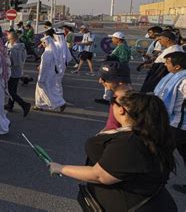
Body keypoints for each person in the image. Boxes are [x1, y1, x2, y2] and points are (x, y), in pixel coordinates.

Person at [48, 92, 178, 212]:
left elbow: (100, 175)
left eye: (113, 102)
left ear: (122, 110)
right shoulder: (153, 133)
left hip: (133, 205)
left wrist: (61, 168)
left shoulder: (129, 143)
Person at [154, 51, 186, 192]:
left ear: (177, 66)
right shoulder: (176, 76)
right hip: (176, 124)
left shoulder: (184, 81)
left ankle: (157, 184)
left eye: (167, 62)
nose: (165, 65)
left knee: (162, 155)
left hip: (177, 126)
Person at [95, 32, 132, 104]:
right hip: (119, 68)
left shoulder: (122, 47)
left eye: (113, 38)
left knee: (113, 83)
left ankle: (112, 99)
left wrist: (111, 59)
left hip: (118, 69)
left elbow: (123, 60)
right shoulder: (122, 46)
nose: (112, 40)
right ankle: (108, 98)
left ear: (118, 39)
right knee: (113, 83)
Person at [33, 36, 66, 112]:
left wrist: (41, 77)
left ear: (45, 43)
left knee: (47, 91)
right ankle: (40, 104)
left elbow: (45, 67)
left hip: (45, 75)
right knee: (43, 91)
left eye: (43, 42)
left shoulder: (47, 53)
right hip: (51, 74)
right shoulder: (52, 51)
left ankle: (60, 103)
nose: (42, 44)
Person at [98, 61, 133, 131]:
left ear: (120, 81)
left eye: (104, 79)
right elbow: (111, 126)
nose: (100, 81)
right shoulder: (116, 97)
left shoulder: (127, 103)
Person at [5, 31, 31, 116]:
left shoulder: (14, 49)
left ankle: (24, 104)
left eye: (8, 37)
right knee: (13, 90)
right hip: (18, 71)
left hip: (13, 72)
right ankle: (10, 105)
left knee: (10, 91)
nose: (7, 38)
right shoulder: (21, 47)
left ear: (12, 38)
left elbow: (13, 62)